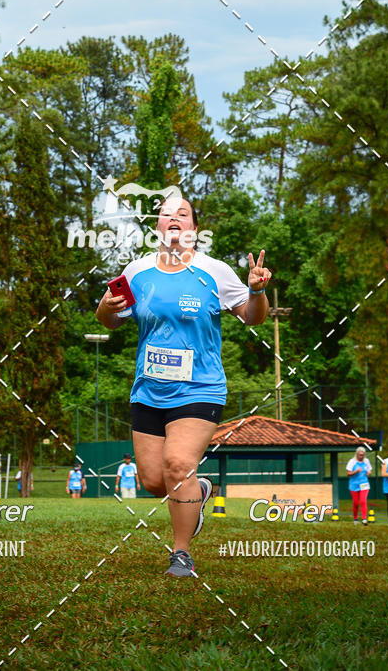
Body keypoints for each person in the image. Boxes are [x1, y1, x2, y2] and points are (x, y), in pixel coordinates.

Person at [96, 195, 272, 577]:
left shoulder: (213, 271)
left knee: (178, 465)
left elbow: (253, 317)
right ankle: (199, 490)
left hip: (200, 388)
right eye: (166, 214)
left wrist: (256, 291)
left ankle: (181, 554)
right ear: (157, 226)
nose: (173, 218)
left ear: (194, 228)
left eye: (182, 214)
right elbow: (111, 320)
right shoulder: (138, 271)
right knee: (153, 481)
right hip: (148, 391)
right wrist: (106, 308)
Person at [346, 447, 372, 525]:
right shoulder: (352, 461)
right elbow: (348, 473)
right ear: (357, 454)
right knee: (356, 503)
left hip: (364, 484)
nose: (361, 456)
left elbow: (369, 470)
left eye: (363, 455)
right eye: (360, 455)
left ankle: (364, 518)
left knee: (363, 501)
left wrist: (369, 473)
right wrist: (356, 471)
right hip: (354, 485)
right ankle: (355, 518)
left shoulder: (366, 461)